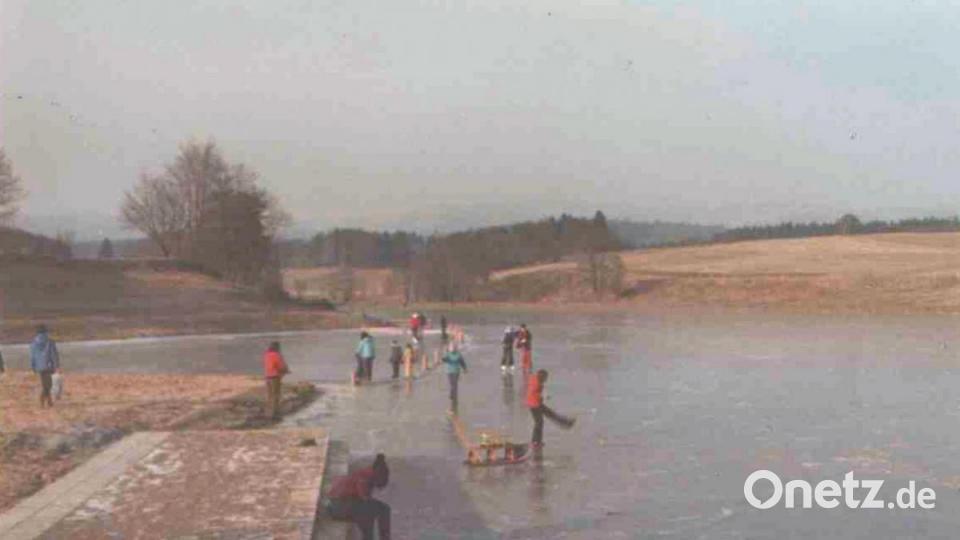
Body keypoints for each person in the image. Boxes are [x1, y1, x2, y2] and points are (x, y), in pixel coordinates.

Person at [326, 453, 391, 540]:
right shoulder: (364, 478)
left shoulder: (368, 474)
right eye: (383, 478)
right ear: (378, 473)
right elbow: (364, 498)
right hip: (338, 507)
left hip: (342, 504)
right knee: (370, 512)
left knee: (380, 509)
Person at [526, 369, 575, 449]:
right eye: (545, 378)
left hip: (537, 403)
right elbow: (532, 393)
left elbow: (531, 381)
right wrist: (542, 396)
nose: (546, 379)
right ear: (542, 377)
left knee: (550, 415)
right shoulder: (537, 383)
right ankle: (535, 442)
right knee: (539, 423)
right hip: (534, 405)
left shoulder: (535, 379)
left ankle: (567, 423)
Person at [29, 324, 60, 408]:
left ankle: (49, 401)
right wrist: (57, 365)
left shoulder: (33, 343)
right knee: (48, 385)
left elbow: (32, 356)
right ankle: (42, 400)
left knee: (45, 384)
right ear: (46, 332)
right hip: (49, 366)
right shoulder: (50, 342)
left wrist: (33, 367)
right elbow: (54, 354)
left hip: (39, 367)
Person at [263, 341, 289, 420]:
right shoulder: (277, 355)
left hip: (267, 376)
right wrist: (286, 370)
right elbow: (281, 366)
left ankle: (268, 413)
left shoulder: (266, 355)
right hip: (275, 377)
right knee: (276, 395)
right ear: (277, 347)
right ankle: (274, 413)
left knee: (269, 395)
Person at [442, 343, 468, 412]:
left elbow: (462, 362)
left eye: (453, 347)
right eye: (451, 347)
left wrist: (465, 369)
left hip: (456, 371)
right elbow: (444, 359)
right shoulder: (448, 354)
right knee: (452, 384)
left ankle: (454, 397)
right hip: (449, 372)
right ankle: (452, 395)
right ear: (449, 348)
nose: (452, 349)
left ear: (455, 348)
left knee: (455, 384)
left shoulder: (458, 355)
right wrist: (444, 356)